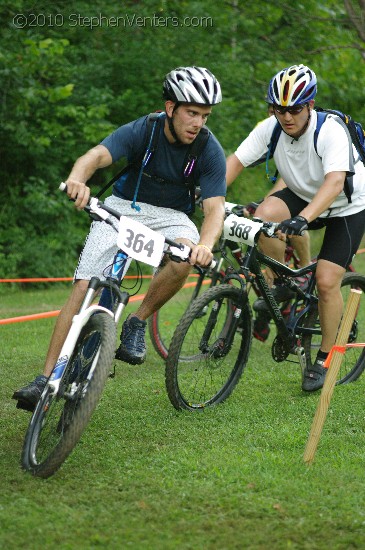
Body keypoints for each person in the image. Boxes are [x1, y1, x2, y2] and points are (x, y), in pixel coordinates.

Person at [13, 66, 226, 411]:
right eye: (191, 112)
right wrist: (77, 180)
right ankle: (45, 379)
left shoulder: (209, 148)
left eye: (204, 115)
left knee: (185, 256)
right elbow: (96, 156)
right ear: (171, 108)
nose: (198, 122)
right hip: (123, 208)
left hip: (172, 218)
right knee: (84, 287)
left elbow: (215, 209)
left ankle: (137, 322)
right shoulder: (146, 128)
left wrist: (204, 246)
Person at [226, 63, 365, 392]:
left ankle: (325, 358)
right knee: (265, 213)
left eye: (295, 109)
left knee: (328, 281)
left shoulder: (329, 130)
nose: (287, 117)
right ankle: (285, 285)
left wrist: (302, 219)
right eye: (279, 109)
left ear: (311, 106)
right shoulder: (271, 128)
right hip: (304, 193)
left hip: (347, 203)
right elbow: (235, 162)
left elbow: (334, 183)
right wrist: (212, 199)